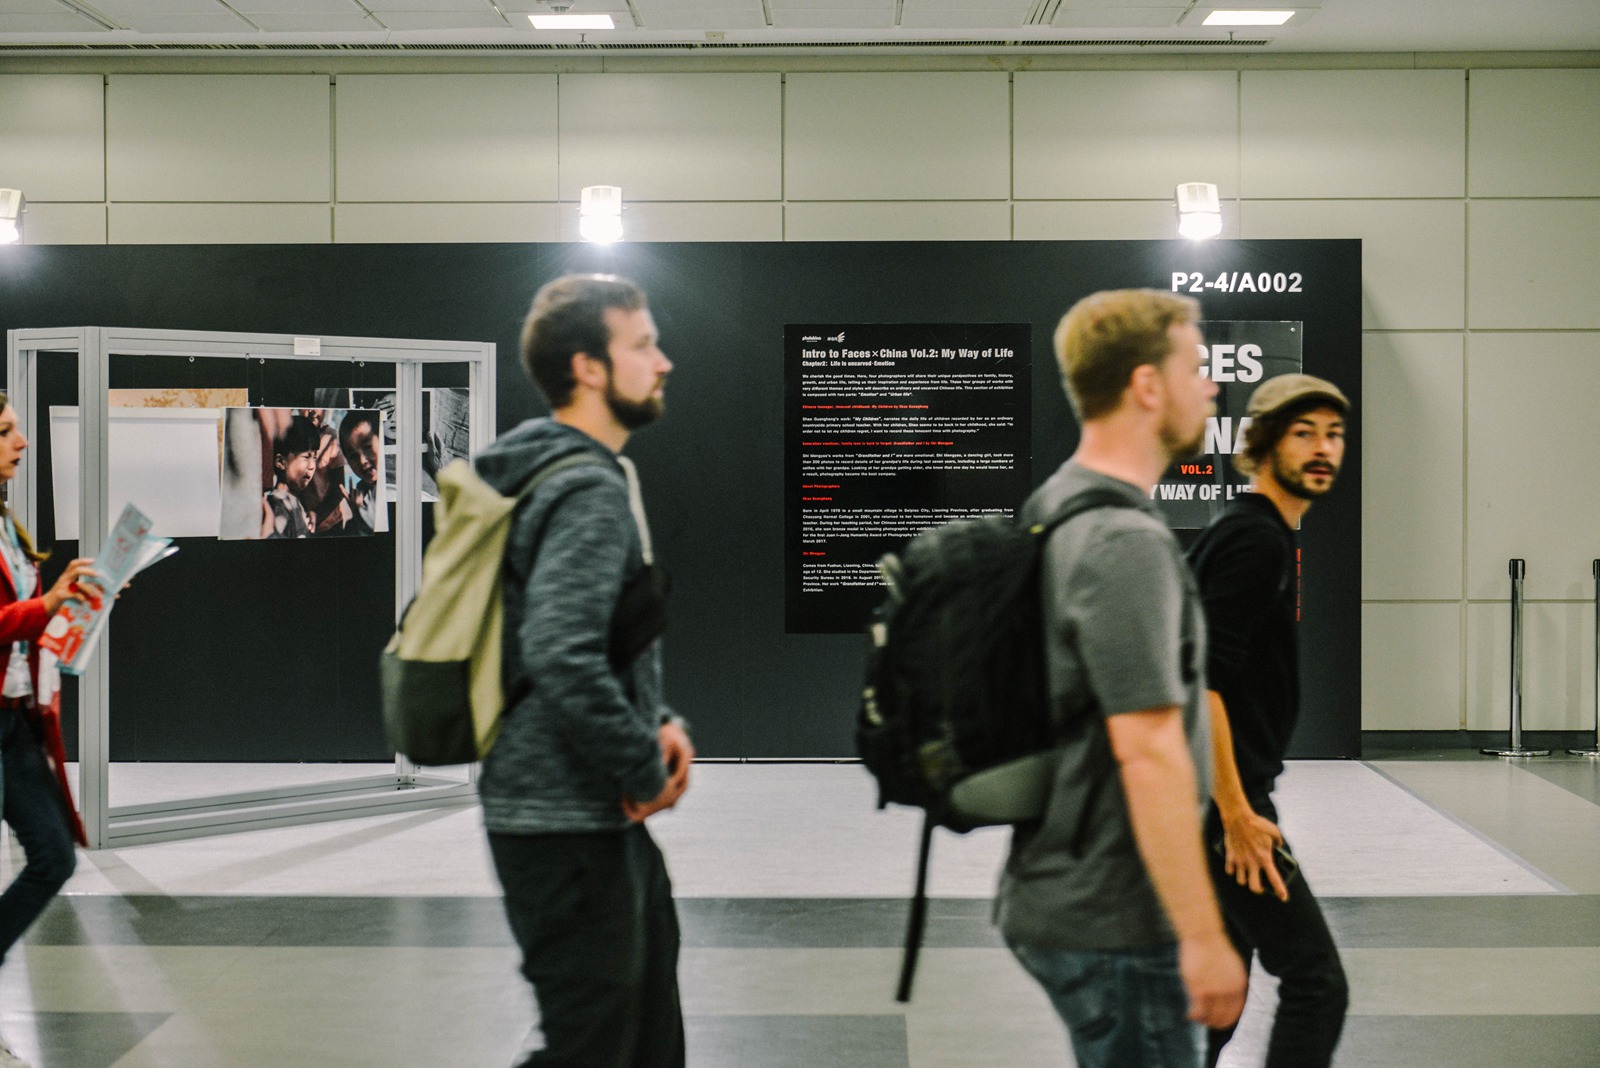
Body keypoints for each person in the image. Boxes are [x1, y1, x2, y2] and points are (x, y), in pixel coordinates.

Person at [994, 289, 1246, 1068]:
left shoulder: (1060, 503)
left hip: (1072, 883)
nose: (1210, 386)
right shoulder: (1122, 541)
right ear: (1146, 385)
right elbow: (1148, 751)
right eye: (1196, 367)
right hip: (1119, 914)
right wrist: (1202, 935)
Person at [476, 273, 694, 1068]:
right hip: (565, 821)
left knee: (640, 1036)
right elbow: (560, 652)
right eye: (641, 344)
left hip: (577, 818)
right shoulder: (586, 490)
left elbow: (589, 646)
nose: (662, 362)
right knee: (595, 1046)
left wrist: (659, 725)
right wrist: (642, 765)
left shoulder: (531, 471)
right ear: (589, 367)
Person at [1186, 374, 1351, 1068]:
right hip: (1223, 805)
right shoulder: (1255, 541)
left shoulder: (1253, 532)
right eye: (1303, 432)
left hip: (1216, 798)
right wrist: (1235, 814)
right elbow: (1204, 684)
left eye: (1334, 434)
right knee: (1316, 983)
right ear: (1259, 443)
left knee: (1218, 1000)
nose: (1324, 449)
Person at [0, 394, 102, 1068]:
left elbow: (24, 618)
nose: (23, 442)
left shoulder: (6, 522)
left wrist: (73, 599)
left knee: (54, 855)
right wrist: (46, 602)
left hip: (13, 724)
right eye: (6, 431)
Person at [261, 415, 319, 539]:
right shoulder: (278, 506)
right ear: (281, 462)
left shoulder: (292, 499)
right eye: (306, 457)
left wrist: (306, 516)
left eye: (315, 458)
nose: (312, 466)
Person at [337, 409, 382, 536]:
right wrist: (357, 511)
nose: (362, 461)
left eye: (367, 447)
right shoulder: (362, 492)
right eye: (353, 456)